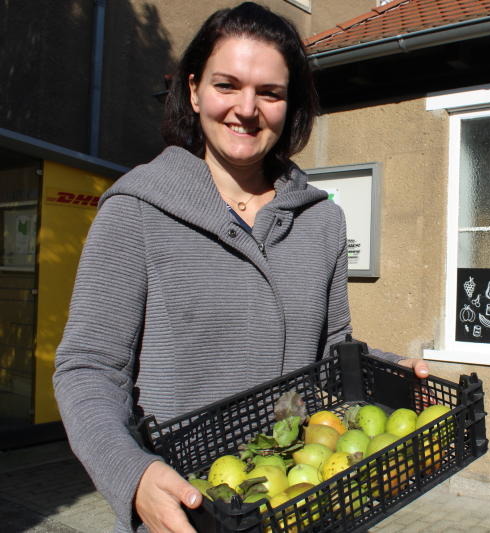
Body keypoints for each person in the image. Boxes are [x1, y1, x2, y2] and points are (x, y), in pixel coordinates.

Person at [52, 4, 428, 532]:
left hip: (298, 501)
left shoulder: (321, 221)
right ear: (193, 91)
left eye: (269, 93)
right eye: (227, 85)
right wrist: (132, 476)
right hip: (188, 512)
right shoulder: (137, 208)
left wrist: (395, 376)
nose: (246, 109)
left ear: (289, 103)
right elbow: (89, 369)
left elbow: (329, 352)